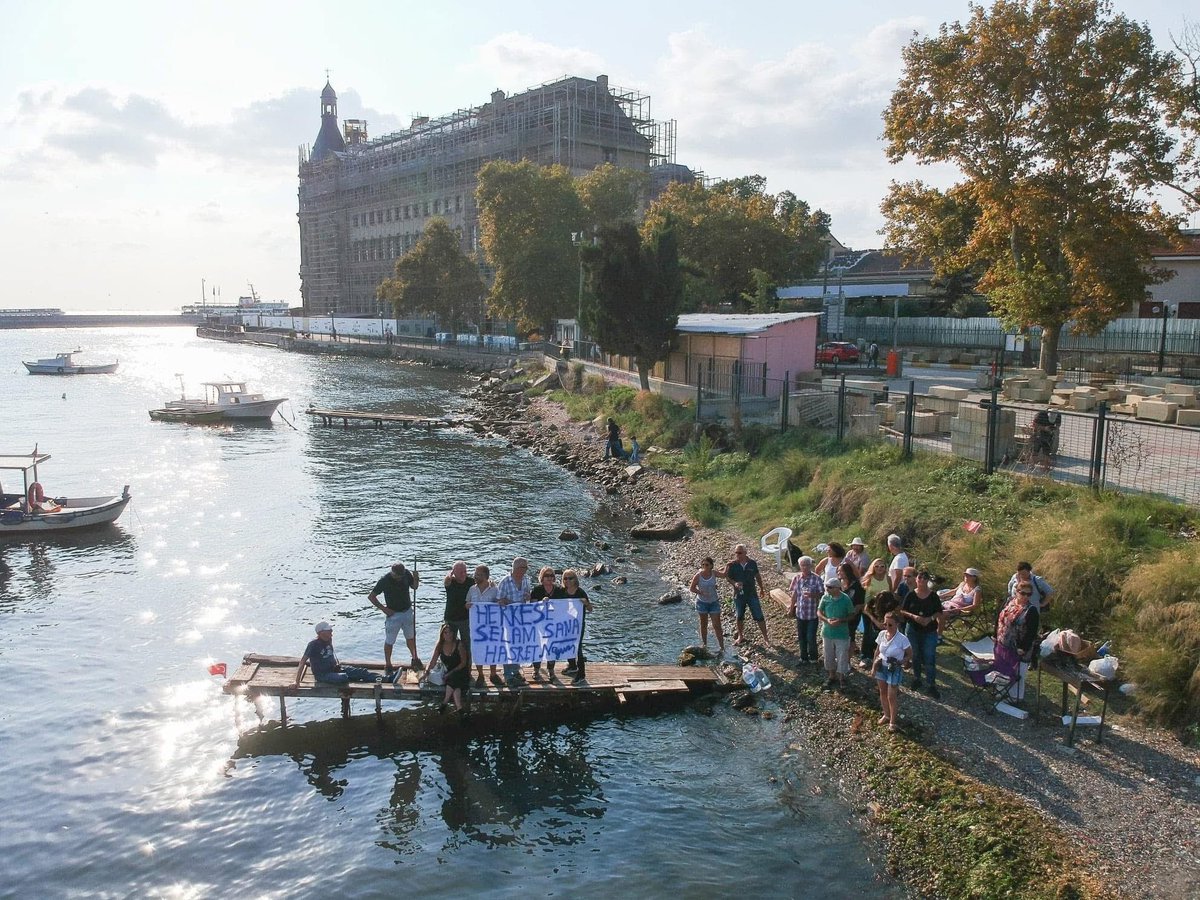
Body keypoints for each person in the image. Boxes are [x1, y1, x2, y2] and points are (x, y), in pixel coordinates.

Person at [368, 562, 423, 681]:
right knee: (390, 641)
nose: (399, 578)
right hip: (393, 615)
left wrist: (416, 578)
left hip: (407, 611)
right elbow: (371, 596)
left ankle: (415, 658)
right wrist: (384, 609)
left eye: (401, 575)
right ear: (392, 572)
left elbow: (414, 587)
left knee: (411, 637)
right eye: (397, 575)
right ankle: (388, 664)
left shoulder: (406, 574)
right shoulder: (384, 580)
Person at [994, 580, 1042, 701]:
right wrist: (994, 634)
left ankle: (1014, 698)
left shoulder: (1031, 610)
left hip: (1018, 648)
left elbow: (1031, 633)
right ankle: (1000, 692)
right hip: (1002, 643)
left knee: (1017, 674)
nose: (1025, 596)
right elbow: (999, 618)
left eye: (1029, 594)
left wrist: (1023, 648)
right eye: (1023, 593)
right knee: (1001, 669)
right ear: (1017, 592)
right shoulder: (1008, 602)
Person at [294, 621, 379, 687]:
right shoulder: (313, 645)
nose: (331, 632)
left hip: (334, 669)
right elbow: (302, 662)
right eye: (329, 631)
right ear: (321, 633)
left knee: (361, 672)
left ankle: (387, 679)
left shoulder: (328, 640)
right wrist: (296, 682)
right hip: (323, 675)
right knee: (344, 677)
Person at [900, 569, 941, 698]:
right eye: (920, 578)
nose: (922, 581)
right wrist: (914, 617)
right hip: (913, 629)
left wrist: (930, 618)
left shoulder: (933, 596)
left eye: (925, 578)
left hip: (929, 630)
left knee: (929, 656)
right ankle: (917, 678)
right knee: (915, 655)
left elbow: (939, 612)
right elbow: (903, 611)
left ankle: (931, 684)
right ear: (916, 580)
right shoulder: (911, 595)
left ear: (928, 581)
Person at [871, 611, 912, 732]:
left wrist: (902, 661)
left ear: (897, 624)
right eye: (885, 624)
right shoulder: (882, 634)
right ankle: (886, 714)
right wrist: (873, 666)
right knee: (882, 692)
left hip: (894, 668)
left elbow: (910, 654)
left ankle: (893, 721)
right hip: (881, 666)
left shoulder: (902, 639)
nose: (887, 627)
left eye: (890, 625)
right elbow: (877, 651)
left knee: (891, 696)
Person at [725, 544, 771, 647]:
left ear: (745, 553)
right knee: (739, 616)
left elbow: (757, 576)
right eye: (736, 553)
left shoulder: (752, 563)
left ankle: (766, 638)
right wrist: (734, 583)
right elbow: (728, 578)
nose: (737, 555)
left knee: (759, 615)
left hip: (751, 593)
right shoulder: (732, 565)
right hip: (739, 595)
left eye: (740, 553)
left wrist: (762, 589)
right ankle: (740, 636)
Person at [496, 557, 532, 686]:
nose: (526, 570)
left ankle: (516, 671)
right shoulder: (505, 582)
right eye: (525, 568)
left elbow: (528, 596)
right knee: (508, 646)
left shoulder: (526, 580)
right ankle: (508, 675)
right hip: (508, 620)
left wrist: (529, 597)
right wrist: (508, 603)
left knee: (518, 645)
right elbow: (499, 600)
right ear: (517, 568)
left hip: (521, 619)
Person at [465, 564, 501, 687]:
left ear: (486, 576)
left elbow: (498, 603)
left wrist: (499, 603)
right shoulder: (471, 589)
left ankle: (493, 674)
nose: (476, 576)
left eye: (479, 574)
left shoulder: (494, 590)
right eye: (476, 574)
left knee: (492, 649)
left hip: (491, 626)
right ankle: (480, 674)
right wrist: (468, 605)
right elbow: (466, 603)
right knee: (478, 649)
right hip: (476, 627)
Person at [424, 623, 471, 715]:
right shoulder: (440, 645)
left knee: (452, 679)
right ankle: (459, 708)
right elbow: (433, 661)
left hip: (460, 670)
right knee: (455, 685)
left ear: (453, 633)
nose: (448, 635)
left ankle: (444, 703)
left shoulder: (459, 644)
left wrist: (450, 673)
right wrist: (427, 671)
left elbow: (463, 663)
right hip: (449, 672)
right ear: (442, 634)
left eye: (450, 632)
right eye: (445, 633)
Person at [818, 575, 855, 690]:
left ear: (837, 588)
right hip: (827, 632)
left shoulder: (845, 599)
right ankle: (831, 676)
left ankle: (842, 677)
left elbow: (852, 614)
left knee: (842, 656)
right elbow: (819, 612)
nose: (827, 589)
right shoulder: (825, 597)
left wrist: (841, 620)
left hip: (841, 633)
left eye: (829, 587)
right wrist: (826, 620)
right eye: (826, 586)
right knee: (828, 655)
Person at [557, 568, 593, 684]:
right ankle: (572, 666)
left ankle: (581, 674)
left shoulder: (580, 592)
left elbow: (590, 609)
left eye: (570, 578)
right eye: (565, 578)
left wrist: (586, 603)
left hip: (578, 625)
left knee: (578, 648)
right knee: (567, 644)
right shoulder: (561, 591)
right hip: (565, 624)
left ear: (575, 580)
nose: (567, 580)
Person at [788, 555, 823, 664]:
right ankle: (803, 657)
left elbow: (822, 594)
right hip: (800, 613)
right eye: (803, 565)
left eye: (807, 565)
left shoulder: (817, 578)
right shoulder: (797, 578)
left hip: (812, 613)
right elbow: (794, 594)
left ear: (811, 565)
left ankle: (813, 658)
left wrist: (813, 595)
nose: (805, 567)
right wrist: (791, 607)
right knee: (801, 637)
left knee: (811, 637)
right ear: (800, 566)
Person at [689, 556, 726, 655]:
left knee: (717, 625)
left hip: (714, 602)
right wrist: (700, 592)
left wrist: (728, 565)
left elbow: (723, 575)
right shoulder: (698, 575)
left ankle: (722, 647)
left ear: (711, 566)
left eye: (707, 565)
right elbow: (691, 588)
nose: (704, 566)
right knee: (703, 625)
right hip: (702, 603)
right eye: (703, 565)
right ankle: (704, 646)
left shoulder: (714, 573)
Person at [529, 566, 560, 680]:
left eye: (551, 575)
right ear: (542, 577)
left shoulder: (559, 590)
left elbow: (565, 606)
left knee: (552, 646)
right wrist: (542, 603)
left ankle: (551, 670)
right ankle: (536, 670)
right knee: (537, 646)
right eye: (546, 575)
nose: (549, 578)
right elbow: (532, 607)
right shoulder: (537, 590)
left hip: (553, 623)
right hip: (539, 623)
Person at [937, 567, 983, 636]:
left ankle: (938, 635)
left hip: (959, 609)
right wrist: (940, 596)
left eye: (968, 575)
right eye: (965, 575)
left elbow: (975, 605)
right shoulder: (962, 584)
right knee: (932, 608)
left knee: (941, 614)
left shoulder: (977, 590)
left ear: (974, 578)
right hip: (949, 604)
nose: (966, 577)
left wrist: (960, 609)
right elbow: (953, 591)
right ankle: (933, 629)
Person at [840, 561, 866, 661]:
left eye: (841, 571)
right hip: (841, 614)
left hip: (853, 614)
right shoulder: (839, 583)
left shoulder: (856, 585)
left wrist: (853, 612)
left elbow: (861, 602)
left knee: (850, 635)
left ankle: (847, 660)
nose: (839, 573)